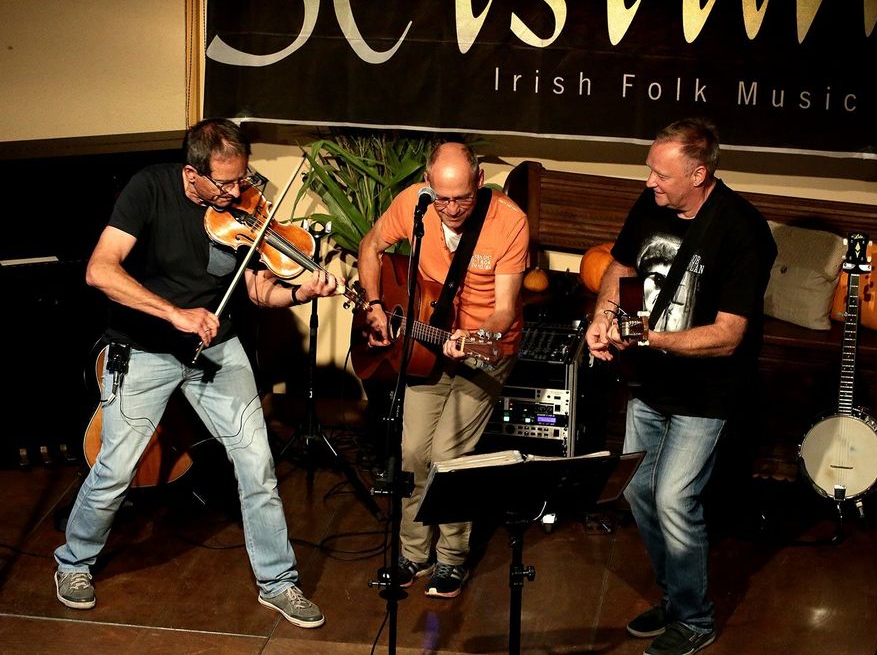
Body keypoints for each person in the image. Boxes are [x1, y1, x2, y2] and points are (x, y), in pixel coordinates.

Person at [53, 118, 338, 628]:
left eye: (241, 179)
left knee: (257, 465)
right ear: (192, 173)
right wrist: (173, 313)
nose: (237, 191)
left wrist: (300, 292)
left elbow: (257, 292)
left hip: (218, 350)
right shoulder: (150, 188)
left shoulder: (244, 208)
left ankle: (278, 582)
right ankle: (73, 562)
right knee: (115, 468)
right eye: (223, 183)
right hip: (145, 348)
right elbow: (100, 270)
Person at [585, 118, 776, 655]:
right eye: (650, 169)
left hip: (706, 393)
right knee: (639, 489)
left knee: (673, 497)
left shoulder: (742, 231)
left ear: (700, 172)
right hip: (649, 385)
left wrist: (652, 337)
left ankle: (695, 619)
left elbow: (728, 336)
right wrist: (606, 317)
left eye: (661, 173)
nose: (650, 181)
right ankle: (677, 599)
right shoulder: (653, 205)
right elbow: (621, 264)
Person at [357, 141, 529, 598]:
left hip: (484, 349)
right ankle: (415, 554)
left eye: (463, 198)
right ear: (428, 184)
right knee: (413, 453)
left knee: (448, 457)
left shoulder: (509, 221)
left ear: (479, 181)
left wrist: (471, 340)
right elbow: (371, 245)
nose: (452, 208)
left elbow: (506, 310)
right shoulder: (415, 203)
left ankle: (452, 559)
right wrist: (375, 305)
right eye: (442, 198)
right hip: (426, 344)